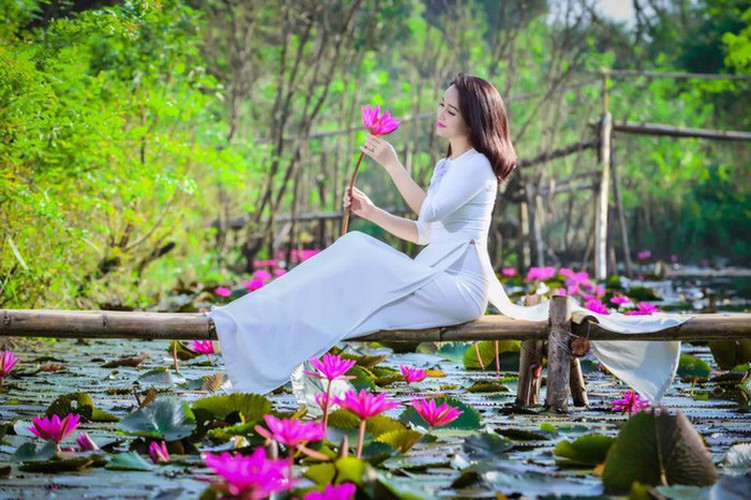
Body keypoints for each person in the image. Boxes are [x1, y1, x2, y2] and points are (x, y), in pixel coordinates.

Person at [209, 73, 687, 404]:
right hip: (431, 272)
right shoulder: (447, 165)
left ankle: (256, 333)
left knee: (355, 253)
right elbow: (424, 232)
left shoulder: (478, 164)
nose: (440, 114)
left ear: (473, 120)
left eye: (451, 109)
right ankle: (253, 326)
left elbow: (430, 209)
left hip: (460, 289)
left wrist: (392, 164)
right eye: (441, 104)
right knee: (351, 270)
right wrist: (372, 212)